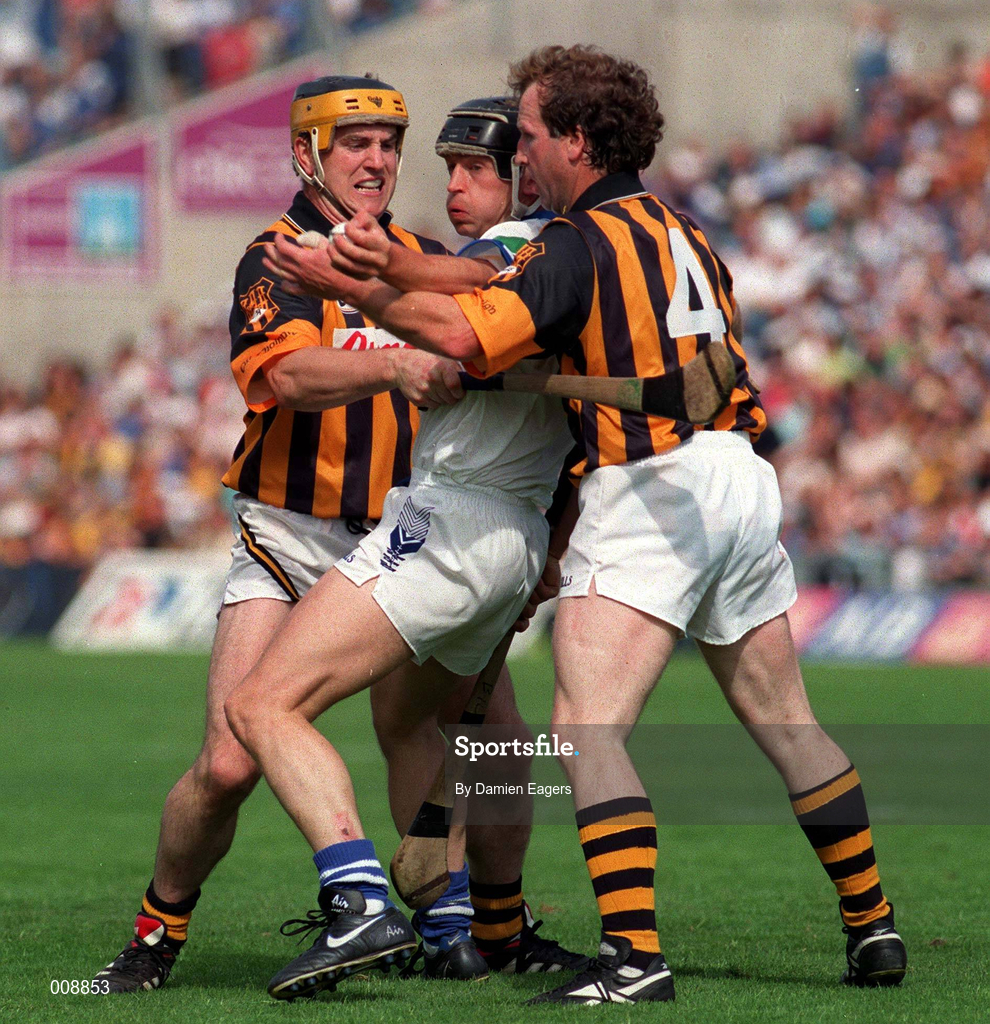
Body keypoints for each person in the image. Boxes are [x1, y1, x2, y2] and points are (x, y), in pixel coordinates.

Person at [266, 44, 908, 1007]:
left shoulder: (575, 239)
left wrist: (355, 285)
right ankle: (874, 927)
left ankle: (634, 960)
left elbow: (466, 333)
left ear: (575, 138)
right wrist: (396, 268)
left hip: (649, 485)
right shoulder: (687, 232)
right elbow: (489, 289)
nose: (519, 156)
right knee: (788, 722)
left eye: (524, 138)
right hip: (737, 476)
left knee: (586, 730)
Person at [90, 73, 568, 997]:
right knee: (231, 758)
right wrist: (395, 362)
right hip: (291, 536)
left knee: (487, 741)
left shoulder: (423, 260)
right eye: (356, 144)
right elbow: (289, 375)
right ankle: (157, 931)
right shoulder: (275, 255)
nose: (379, 161)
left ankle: (474, 929)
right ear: (307, 153)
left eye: (390, 144)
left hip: (409, 537)